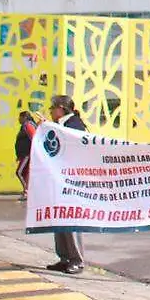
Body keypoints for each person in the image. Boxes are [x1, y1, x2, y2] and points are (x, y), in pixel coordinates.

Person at [46, 96, 87, 274]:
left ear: (61, 109)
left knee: (71, 219)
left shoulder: (74, 124)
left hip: (72, 179)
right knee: (59, 218)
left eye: (52, 108)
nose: (50, 111)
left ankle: (76, 259)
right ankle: (64, 257)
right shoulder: (63, 124)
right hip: (59, 177)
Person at [15, 111, 40, 201]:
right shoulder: (26, 125)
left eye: (20, 117)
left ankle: (27, 192)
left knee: (19, 172)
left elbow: (34, 138)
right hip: (25, 154)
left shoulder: (27, 125)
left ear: (24, 117)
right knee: (25, 173)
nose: (18, 119)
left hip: (27, 154)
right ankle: (28, 191)